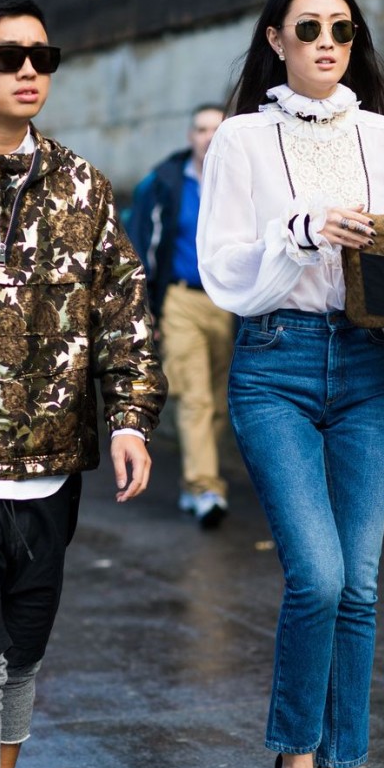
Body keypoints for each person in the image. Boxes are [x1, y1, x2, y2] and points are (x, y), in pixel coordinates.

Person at [197, 0, 384, 768]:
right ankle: (294, 757)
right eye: (307, 29)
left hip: (368, 365)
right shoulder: (237, 142)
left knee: (363, 586)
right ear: (275, 39)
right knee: (319, 575)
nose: (326, 43)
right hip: (276, 365)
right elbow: (222, 268)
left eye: (340, 28)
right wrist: (303, 229)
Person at [0, 0, 167, 768]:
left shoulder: (83, 185)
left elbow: (124, 314)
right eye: (7, 56)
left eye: (43, 55)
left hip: (50, 467)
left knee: (22, 659)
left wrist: (129, 419)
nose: (30, 69)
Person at [126, 105, 233, 529]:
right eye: (202, 129)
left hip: (231, 305)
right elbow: (141, 249)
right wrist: (145, 310)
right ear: (190, 135)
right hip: (181, 300)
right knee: (194, 397)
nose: (209, 137)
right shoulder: (166, 182)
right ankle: (205, 485)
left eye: (217, 129)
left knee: (220, 399)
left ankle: (195, 486)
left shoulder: (241, 181)